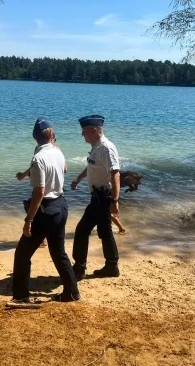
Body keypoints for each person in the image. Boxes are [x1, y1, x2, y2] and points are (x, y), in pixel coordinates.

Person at [11, 118, 80, 303]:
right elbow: (63, 169)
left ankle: (20, 297)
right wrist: (25, 174)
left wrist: (28, 220)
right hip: (61, 205)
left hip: (46, 210)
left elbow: (39, 192)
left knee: (22, 254)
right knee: (59, 253)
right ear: (52, 136)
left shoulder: (38, 157)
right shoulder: (57, 151)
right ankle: (72, 292)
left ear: (35, 138)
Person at [71, 114, 121, 280]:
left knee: (82, 231)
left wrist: (114, 201)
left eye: (84, 132)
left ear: (94, 130)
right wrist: (79, 178)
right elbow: (92, 166)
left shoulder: (106, 148)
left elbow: (115, 174)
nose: (82, 135)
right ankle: (112, 266)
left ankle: (79, 268)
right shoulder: (96, 146)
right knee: (105, 232)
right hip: (98, 196)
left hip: (103, 197)